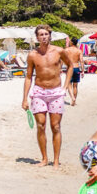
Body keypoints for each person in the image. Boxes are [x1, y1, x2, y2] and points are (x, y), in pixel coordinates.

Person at [20, 25, 69, 167]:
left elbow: (71, 66)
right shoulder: (32, 55)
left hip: (56, 92)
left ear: (50, 36)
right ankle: (44, 158)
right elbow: (28, 77)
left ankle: (56, 160)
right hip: (39, 92)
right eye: (41, 34)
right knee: (41, 125)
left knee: (56, 126)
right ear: (37, 37)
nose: (44, 37)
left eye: (46, 34)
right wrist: (24, 98)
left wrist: (65, 86)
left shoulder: (59, 51)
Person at [63, 36, 85, 106]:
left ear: (71, 42)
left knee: (69, 83)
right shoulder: (79, 51)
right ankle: (74, 101)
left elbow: (62, 59)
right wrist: (83, 71)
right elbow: (81, 61)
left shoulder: (66, 50)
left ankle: (72, 97)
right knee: (75, 86)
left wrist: (60, 68)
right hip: (76, 68)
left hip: (69, 68)